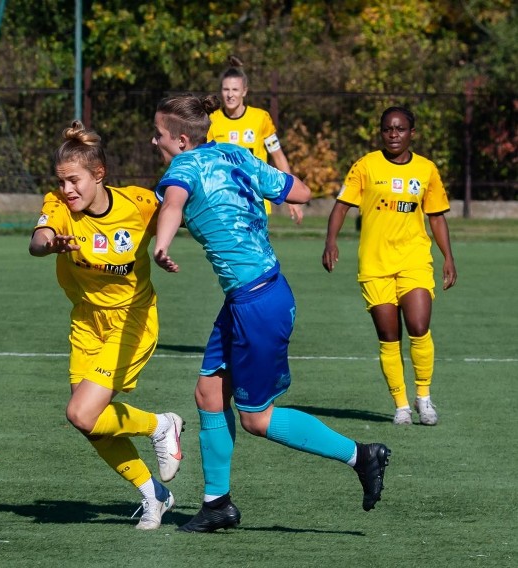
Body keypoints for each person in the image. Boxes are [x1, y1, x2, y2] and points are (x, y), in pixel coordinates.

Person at [151, 94, 391, 533]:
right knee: (208, 394)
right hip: (254, 295)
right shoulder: (234, 153)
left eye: (159, 135)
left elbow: (172, 205)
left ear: (181, 140)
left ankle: (362, 455)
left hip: (257, 303)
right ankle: (217, 504)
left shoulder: (182, 168)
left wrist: (162, 242)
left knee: (256, 418)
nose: (154, 140)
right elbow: (300, 190)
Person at [29, 120, 184, 531]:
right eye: (62, 182)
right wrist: (50, 243)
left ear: (99, 175)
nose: (67, 190)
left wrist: (168, 244)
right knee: (89, 422)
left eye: (75, 181)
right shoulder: (60, 207)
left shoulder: (137, 204)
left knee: (82, 413)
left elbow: (177, 209)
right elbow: (38, 240)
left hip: (132, 319)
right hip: (86, 322)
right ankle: (155, 493)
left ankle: (160, 424)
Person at [322, 106, 457, 426]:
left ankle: (423, 397)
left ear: (412, 133)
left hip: (414, 259)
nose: (393, 135)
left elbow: (436, 216)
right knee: (389, 335)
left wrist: (448, 256)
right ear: (381, 133)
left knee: (419, 327)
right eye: (387, 129)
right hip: (375, 263)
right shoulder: (366, 166)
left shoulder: (426, 170)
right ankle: (401, 405)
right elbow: (341, 207)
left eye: (400, 129)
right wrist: (331, 240)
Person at [206, 55, 304, 224]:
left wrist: (290, 195)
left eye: (235, 90)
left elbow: (278, 156)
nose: (230, 95)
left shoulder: (261, 118)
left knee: (256, 249)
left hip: (256, 200)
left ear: (244, 91)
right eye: (226, 89)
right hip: (225, 199)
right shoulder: (212, 120)